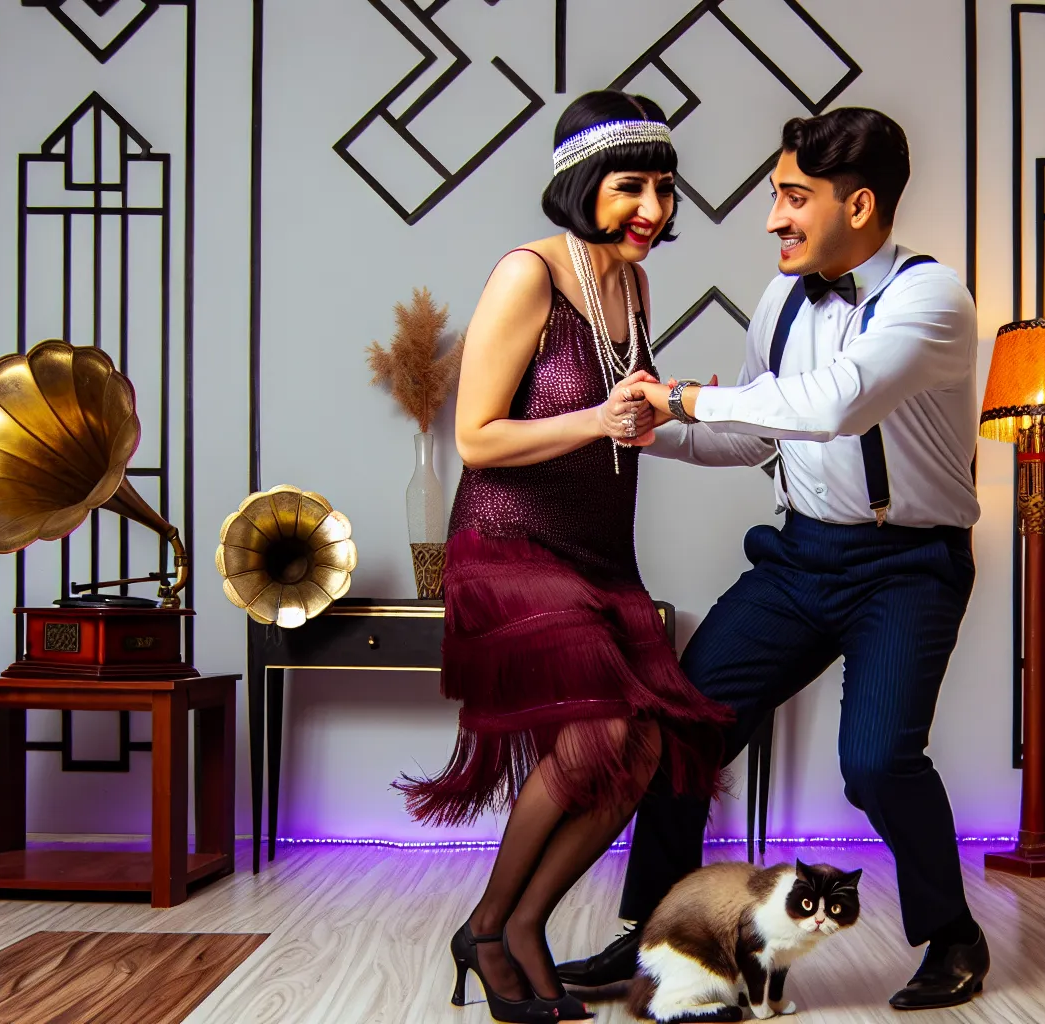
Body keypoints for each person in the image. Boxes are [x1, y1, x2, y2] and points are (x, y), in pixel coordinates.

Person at [556, 107, 991, 1011]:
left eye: (794, 198)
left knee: (876, 763)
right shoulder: (781, 298)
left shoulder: (931, 300)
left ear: (859, 204)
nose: (774, 219)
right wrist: (654, 429)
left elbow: (833, 404)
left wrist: (679, 394)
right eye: (776, 198)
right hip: (798, 560)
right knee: (680, 733)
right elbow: (760, 432)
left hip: (907, 567)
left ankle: (952, 936)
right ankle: (652, 941)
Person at [397, 91, 733, 1024]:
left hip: (597, 550)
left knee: (644, 745)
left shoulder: (630, 278)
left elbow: (625, 416)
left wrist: (666, 406)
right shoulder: (527, 274)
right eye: (631, 187)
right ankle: (495, 927)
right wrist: (598, 415)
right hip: (508, 540)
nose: (654, 211)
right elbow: (474, 437)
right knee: (597, 735)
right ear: (582, 183)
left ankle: (521, 922)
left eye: (665, 189)